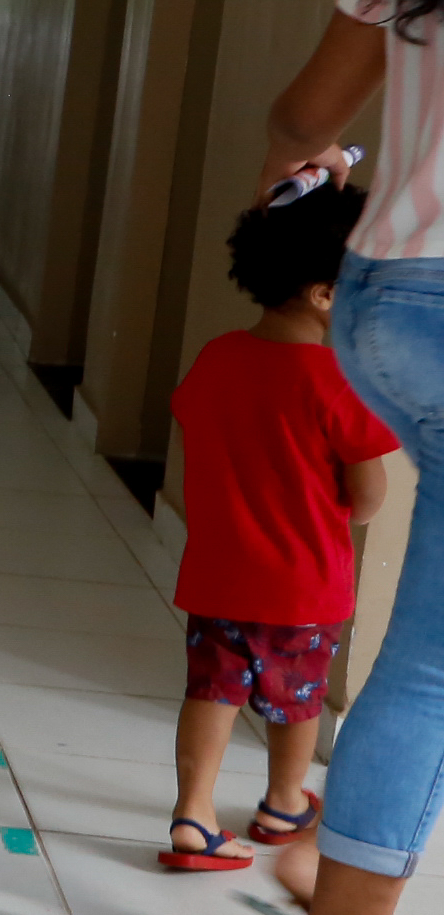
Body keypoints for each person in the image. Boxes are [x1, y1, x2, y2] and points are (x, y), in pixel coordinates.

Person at [257, 0, 444, 915]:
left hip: (383, 296)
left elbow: (303, 115)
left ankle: (341, 860)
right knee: (434, 658)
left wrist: (336, 166)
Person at [157, 182, 396, 873]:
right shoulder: (336, 381)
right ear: (325, 294)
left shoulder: (218, 357)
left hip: (217, 574)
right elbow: (369, 495)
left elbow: (195, 426)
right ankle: (284, 801)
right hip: (302, 586)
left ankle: (192, 815)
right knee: (298, 700)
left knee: (212, 690)